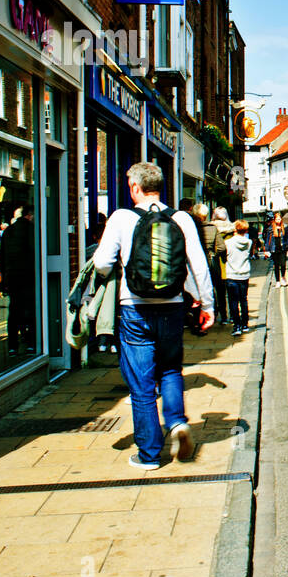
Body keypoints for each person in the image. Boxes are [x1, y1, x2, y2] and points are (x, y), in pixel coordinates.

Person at [94, 162, 214, 470]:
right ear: (161, 186)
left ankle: (148, 454)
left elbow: (102, 264)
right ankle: (176, 423)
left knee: (142, 384)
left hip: (133, 307)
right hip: (173, 305)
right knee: (171, 369)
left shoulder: (121, 217)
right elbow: (198, 265)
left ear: (134, 186)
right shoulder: (181, 218)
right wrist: (208, 305)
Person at [0, 204, 37, 355]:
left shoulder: (8, 231)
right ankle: (32, 344)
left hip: (12, 277)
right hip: (29, 276)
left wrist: (5, 273)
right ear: (30, 215)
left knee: (14, 311)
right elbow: (35, 253)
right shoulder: (32, 230)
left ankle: (12, 346)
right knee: (32, 310)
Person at [225, 219, 253, 334]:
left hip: (232, 275)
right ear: (245, 230)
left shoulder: (228, 243)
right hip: (244, 275)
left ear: (235, 229)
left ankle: (236, 326)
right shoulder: (249, 242)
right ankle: (245, 325)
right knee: (243, 300)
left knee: (233, 302)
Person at [208, 206, 235, 324]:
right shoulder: (231, 229)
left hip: (213, 264)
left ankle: (214, 314)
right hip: (228, 264)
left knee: (214, 291)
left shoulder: (210, 228)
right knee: (228, 292)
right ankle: (227, 316)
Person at [268, 213, 288, 287]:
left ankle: (283, 277)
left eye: (279, 219)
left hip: (283, 249)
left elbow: (287, 239)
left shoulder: (285, 227)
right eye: (277, 219)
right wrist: (267, 250)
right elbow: (268, 240)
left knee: (283, 264)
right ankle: (277, 281)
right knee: (276, 265)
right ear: (274, 220)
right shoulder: (271, 228)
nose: (278, 220)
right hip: (274, 249)